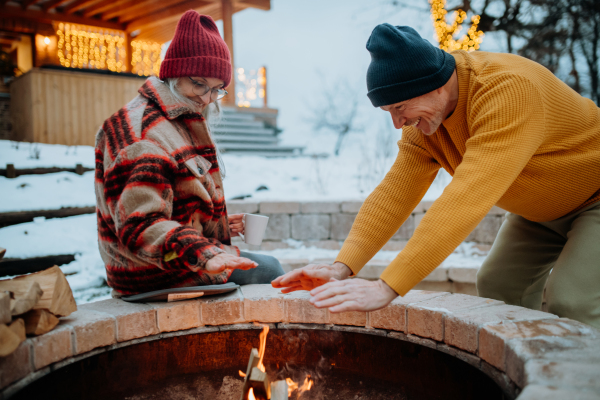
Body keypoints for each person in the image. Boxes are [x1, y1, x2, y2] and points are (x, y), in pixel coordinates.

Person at [273, 24, 600, 329]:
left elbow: (466, 199)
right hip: (540, 212)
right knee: (499, 283)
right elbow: (392, 198)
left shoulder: (507, 90)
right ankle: (530, 375)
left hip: (594, 198)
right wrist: (340, 268)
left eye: (400, 107)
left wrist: (388, 286)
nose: (398, 124)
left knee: (572, 298)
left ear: (436, 85)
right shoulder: (427, 125)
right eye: (389, 113)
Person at [95, 11, 283, 295]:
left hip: (172, 259)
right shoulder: (143, 134)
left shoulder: (174, 119)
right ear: (174, 74)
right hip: (152, 272)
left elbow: (172, 201)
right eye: (199, 84)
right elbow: (141, 226)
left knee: (269, 268)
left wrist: (218, 226)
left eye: (217, 89)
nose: (207, 99)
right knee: (271, 272)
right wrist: (204, 253)